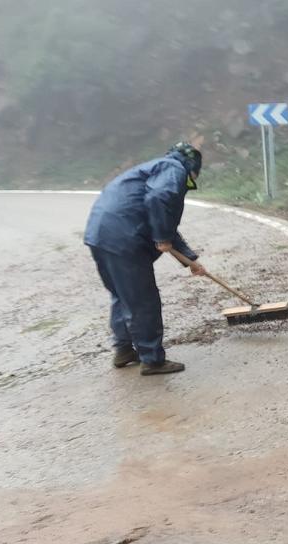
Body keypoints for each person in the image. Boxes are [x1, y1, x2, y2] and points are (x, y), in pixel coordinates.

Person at [84, 142, 209, 376]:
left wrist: (190, 261)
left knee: (122, 295)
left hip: (100, 234)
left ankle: (124, 350)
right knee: (143, 300)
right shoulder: (174, 169)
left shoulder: (152, 168)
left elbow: (161, 219)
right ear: (192, 168)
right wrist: (162, 236)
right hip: (124, 236)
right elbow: (160, 199)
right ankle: (152, 359)